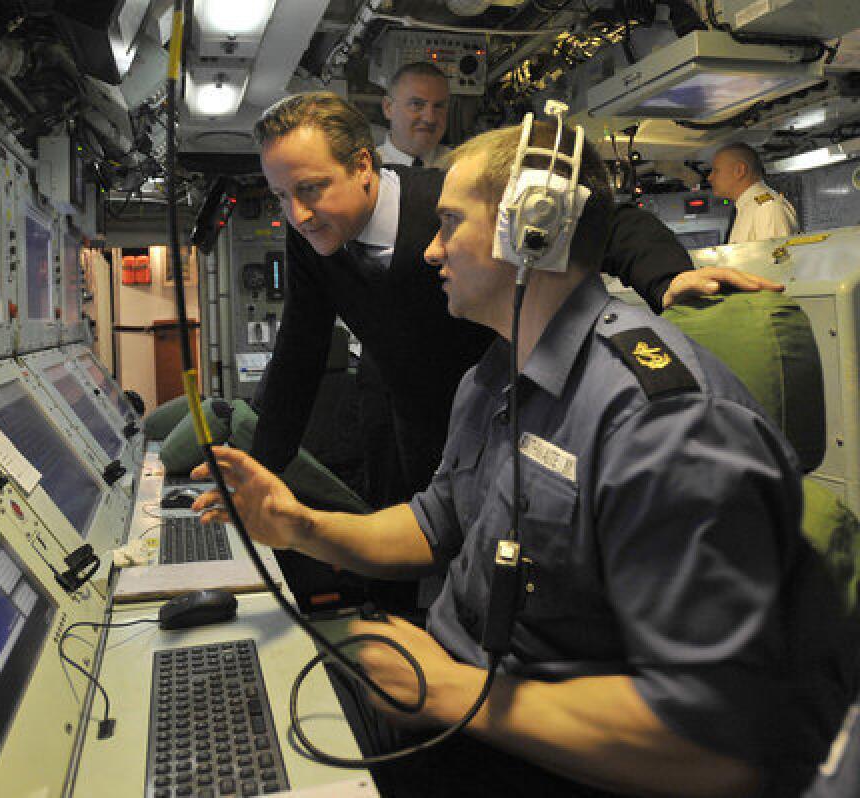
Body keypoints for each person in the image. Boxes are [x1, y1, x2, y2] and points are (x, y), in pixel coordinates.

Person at [195, 120, 851, 797]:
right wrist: (299, 524)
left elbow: (719, 738)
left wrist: (452, 691)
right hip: (456, 701)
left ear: (532, 232)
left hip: (521, 752)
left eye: (450, 224)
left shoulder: (662, 425)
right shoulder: (490, 376)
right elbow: (435, 524)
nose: (429, 251)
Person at [250, 91, 783, 511]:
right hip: (411, 425)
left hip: (504, 413)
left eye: (312, 188)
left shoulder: (448, 196)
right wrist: (260, 471)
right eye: (280, 196)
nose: (296, 214)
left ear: (363, 165)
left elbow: (599, 217)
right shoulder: (311, 237)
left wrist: (666, 279)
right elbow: (299, 349)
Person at [708, 141, 798, 244]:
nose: (710, 177)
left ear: (739, 171)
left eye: (716, 170)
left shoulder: (767, 208)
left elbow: (773, 258)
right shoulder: (748, 208)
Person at [378, 62, 453, 169]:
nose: (430, 119)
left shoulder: (465, 170)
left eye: (439, 106)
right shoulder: (361, 172)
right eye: (417, 104)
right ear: (388, 108)